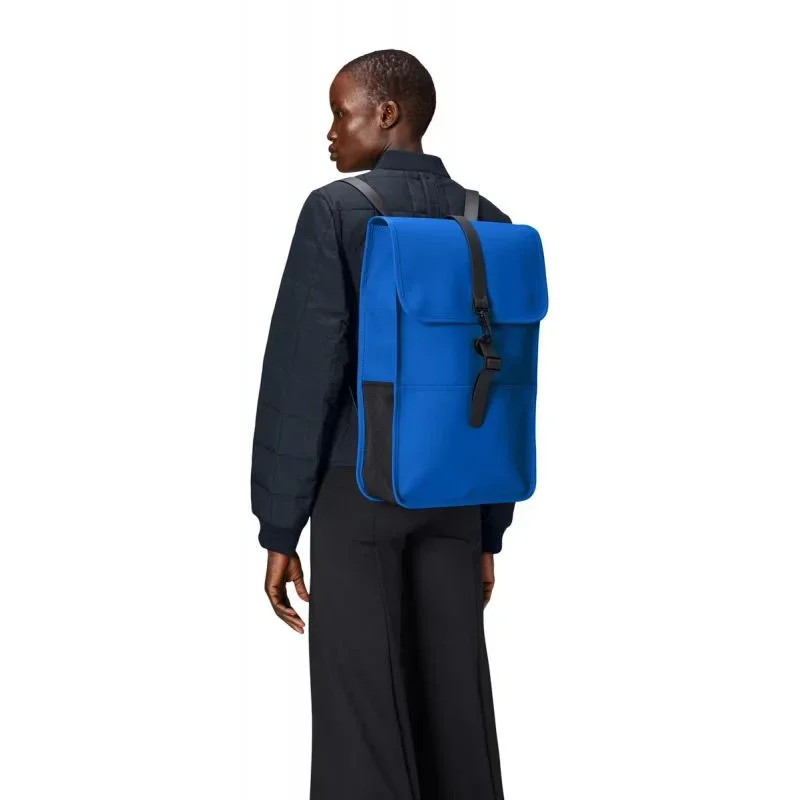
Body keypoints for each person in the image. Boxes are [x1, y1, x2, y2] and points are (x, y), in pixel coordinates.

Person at [250, 48, 515, 800]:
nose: (332, 133)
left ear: (387, 114)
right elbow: (500, 385)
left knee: (362, 713)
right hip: (456, 493)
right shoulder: (486, 221)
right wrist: (490, 529)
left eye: (343, 114)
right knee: (454, 708)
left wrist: (279, 527)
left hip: (357, 489)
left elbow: (304, 375)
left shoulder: (335, 211)